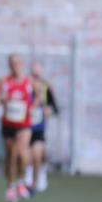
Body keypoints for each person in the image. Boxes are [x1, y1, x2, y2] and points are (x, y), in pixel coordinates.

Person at [0, 54, 34, 202]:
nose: (16, 65)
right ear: (9, 65)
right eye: (13, 63)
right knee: (11, 156)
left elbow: (39, 96)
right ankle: (11, 186)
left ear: (22, 64)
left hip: (24, 123)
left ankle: (21, 182)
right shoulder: (4, 81)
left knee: (21, 153)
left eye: (18, 63)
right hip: (8, 123)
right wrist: (2, 100)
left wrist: (34, 106)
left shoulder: (29, 82)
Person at [26, 61, 58, 193]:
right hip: (25, 127)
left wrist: (48, 111)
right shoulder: (24, 86)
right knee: (27, 156)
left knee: (38, 154)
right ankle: (27, 180)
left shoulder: (46, 86)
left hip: (39, 127)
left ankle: (39, 177)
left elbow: (55, 107)